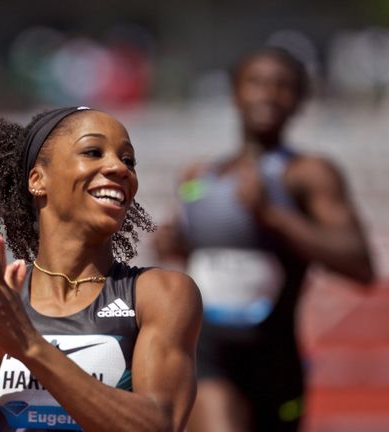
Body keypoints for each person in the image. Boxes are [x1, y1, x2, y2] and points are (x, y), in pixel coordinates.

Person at [0, 106, 203, 432]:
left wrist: (30, 346)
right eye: (93, 152)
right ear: (37, 180)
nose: (118, 167)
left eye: (128, 160)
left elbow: (159, 425)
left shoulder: (159, 294)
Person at [153, 47, 375, 432]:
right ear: (235, 93)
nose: (268, 94)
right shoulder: (198, 176)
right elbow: (196, 262)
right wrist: (174, 244)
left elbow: (360, 265)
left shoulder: (308, 174)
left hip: (276, 358)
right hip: (208, 352)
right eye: (255, 83)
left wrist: (274, 216)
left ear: (300, 99)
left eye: (282, 86)